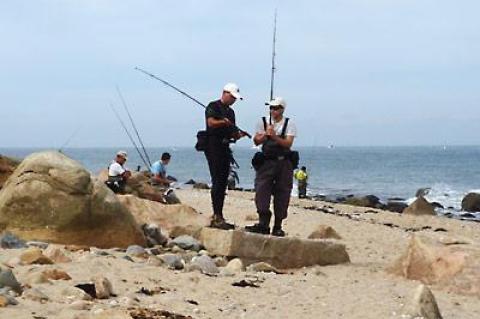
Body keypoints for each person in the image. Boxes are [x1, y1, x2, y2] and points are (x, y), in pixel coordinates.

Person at [245, 97, 297, 237]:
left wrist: (274, 136)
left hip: (283, 163)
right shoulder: (262, 121)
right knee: (261, 190)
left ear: (282, 109)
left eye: (275, 108)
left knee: (283, 193)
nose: (272, 110)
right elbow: (256, 141)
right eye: (271, 108)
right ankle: (263, 222)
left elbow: (288, 144)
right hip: (266, 162)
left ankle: (278, 225)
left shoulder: (289, 123)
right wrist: (265, 136)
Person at [204, 83, 247, 229]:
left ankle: (219, 214)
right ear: (225, 93)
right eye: (232, 97)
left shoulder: (231, 112)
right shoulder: (213, 106)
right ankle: (217, 214)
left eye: (235, 98)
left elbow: (232, 132)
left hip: (225, 146)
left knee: (223, 180)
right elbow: (211, 123)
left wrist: (238, 135)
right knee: (217, 179)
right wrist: (223, 121)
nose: (233, 100)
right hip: (213, 145)